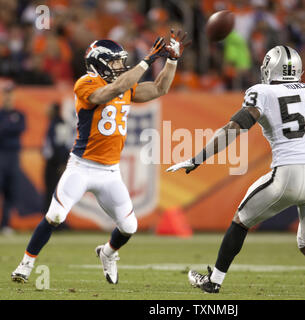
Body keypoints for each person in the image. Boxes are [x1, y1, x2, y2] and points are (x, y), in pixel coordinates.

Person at [167, 45, 305, 296]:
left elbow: (235, 127)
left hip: (288, 173)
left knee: (241, 221)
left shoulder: (263, 92)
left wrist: (198, 158)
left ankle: (214, 281)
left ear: (269, 68)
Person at [11, 30, 190, 284]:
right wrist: (147, 60)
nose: (120, 65)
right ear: (98, 62)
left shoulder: (126, 85)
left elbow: (160, 88)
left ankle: (107, 253)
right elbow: (111, 91)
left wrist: (172, 60)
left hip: (110, 172)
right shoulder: (86, 83)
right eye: (115, 61)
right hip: (81, 166)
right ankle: (26, 264)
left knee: (129, 227)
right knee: (56, 216)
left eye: (121, 61)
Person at [0, 83, 26, 235]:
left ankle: (6, 225)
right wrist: (9, 126)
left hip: (13, 155)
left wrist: (6, 127)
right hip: (1, 154)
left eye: (11, 94)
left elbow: (20, 129)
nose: (9, 97)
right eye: (6, 94)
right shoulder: (2, 113)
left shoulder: (20, 114)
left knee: (11, 191)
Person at [42, 102, 73, 213]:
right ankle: (49, 218)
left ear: (54, 110)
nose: (47, 111)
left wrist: (62, 163)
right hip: (52, 162)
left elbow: (62, 145)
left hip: (56, 164)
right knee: (50, 191)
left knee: (55, 191)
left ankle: (56, 219)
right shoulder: (54, 122)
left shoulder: (60, 124)